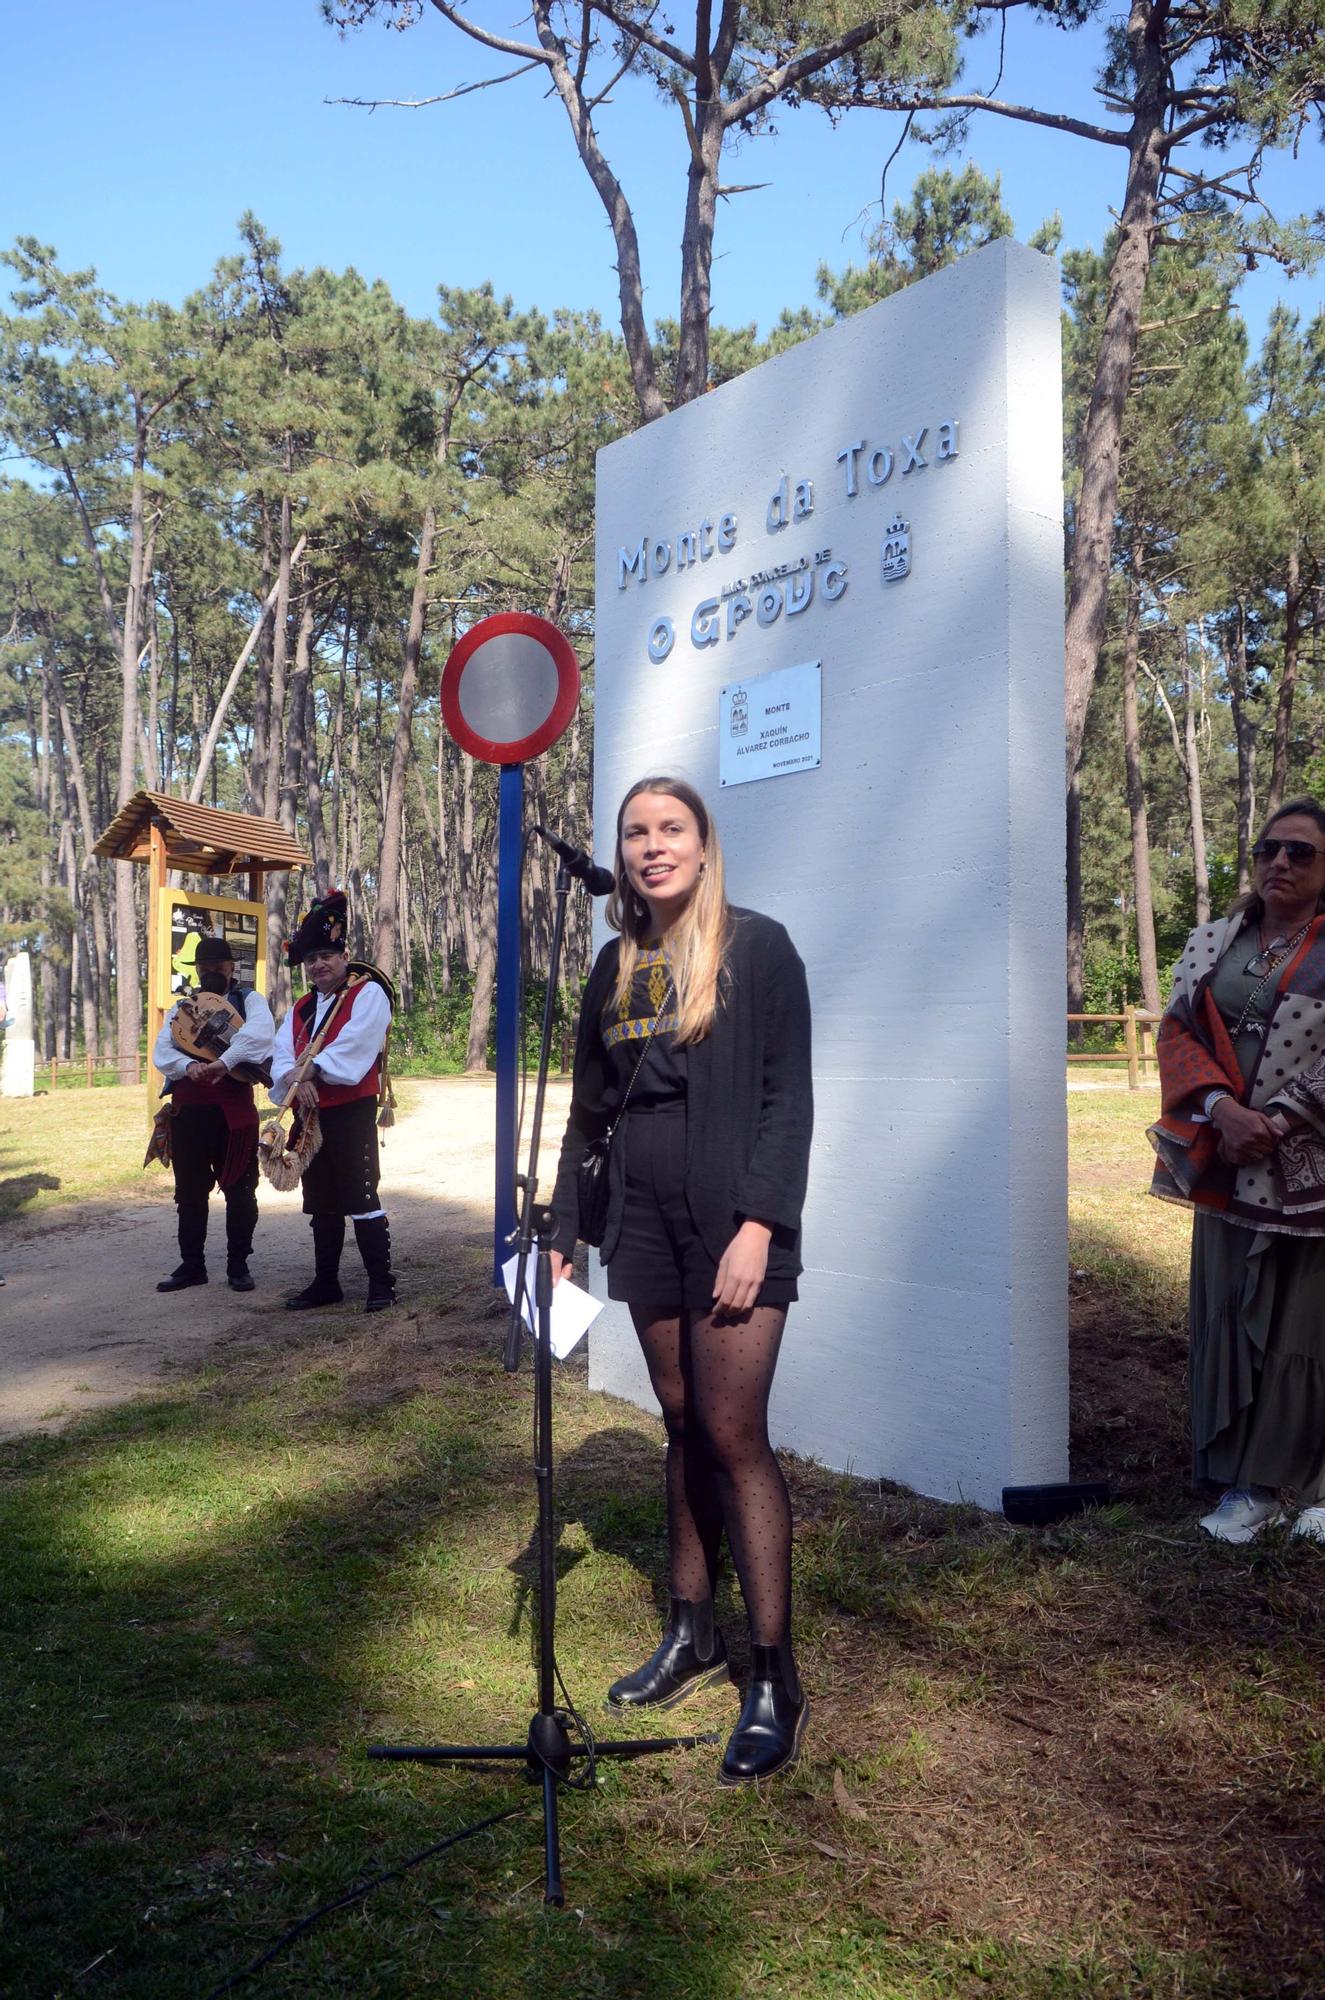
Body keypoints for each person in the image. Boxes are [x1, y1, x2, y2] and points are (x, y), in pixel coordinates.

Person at [550, 776, 813, 1783]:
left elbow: (787, 1098)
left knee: (732, 1433)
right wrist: (569, 1232)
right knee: (676, 1423)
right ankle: (692, 1628)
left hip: (731, 1220)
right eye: (635, 832)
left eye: (671, 829)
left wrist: (759, 1223)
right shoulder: (613, 964)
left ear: (703, 846)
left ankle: (772, 1675)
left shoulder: (757, 946)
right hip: (642, 1224)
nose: (652, 845)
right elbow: (586, 1112)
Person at [1150, 798, 1325, 1545]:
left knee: (1300, 1323)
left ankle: (1288, 1483)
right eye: (1267, 850)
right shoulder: (1215, 940)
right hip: (1224, 1158)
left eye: (1301, 852)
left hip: (1308, 1166)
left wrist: (1280, 1120)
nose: (1279, 863)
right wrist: (1223, 1111)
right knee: (1227, 1307)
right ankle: (1233, 1477)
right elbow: (1177, 1028)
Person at [270, 891, 397, 1314]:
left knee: (360, 1196)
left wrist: (311, 1071)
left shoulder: (368, 994)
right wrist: (295, 1077)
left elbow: (355, 1050)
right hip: (311, 1115)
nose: (319, 964)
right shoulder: (302, 1008)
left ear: (344, 955)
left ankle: (382, 1285)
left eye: (326, 954)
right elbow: (283, 1058)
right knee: (321, 1202)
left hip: (351, 1111)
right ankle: (326, 1284)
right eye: (312, 959)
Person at [152, 935, 274, 1293]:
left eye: (217, 968)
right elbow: (163, 1051)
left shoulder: (249, 999)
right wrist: (188, 1065)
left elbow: (260, 1037)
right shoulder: (183, 1009)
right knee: (188, 1193)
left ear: (231, 968)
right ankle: (192, 1266)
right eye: (204, 968)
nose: (210, 974)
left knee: (240, 1190)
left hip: (232, 1114)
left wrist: (225, 1062)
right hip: (188, 1112)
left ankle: (238, 1265)